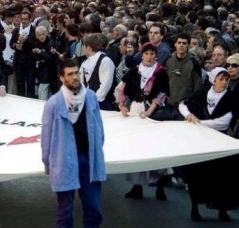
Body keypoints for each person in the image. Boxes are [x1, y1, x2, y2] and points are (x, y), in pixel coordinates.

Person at [41, 59, 106, 228]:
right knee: (65, 213)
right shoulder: (53, 103)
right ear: (62, 78)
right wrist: (48, 163)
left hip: (88, 160)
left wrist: (98, 151)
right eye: (70, 74)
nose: (75, 77)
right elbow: (46, 137)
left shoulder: (91, 97)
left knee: (93, 209)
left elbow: (99, 128)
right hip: (64, 161)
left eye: (77, 73)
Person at [178, 67, 239, 221]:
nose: (224, 83)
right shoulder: (203, 93)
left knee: (222, 177)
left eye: (226, 80)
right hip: (200, 141)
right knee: (196, 174)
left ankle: (222, 209)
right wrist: (189, 115)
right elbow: (183, 104)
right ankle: (195, 207)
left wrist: (200, 122)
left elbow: (224, 122)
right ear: (213, 80)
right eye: (221, 79)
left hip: (220, 141)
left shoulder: (230, 98)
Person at [115, 42, 172, 201]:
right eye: (146, 53)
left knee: (155, 148)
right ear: (142, 55)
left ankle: (160, 185)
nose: (149, 56)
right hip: (135, 110)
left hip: (151, 112)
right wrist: (122, 106)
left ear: (156, 55)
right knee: (137, 149)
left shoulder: (160, 72)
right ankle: (137, 186)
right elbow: (122, 89)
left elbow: (161, 95)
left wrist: (149, 111)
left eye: (152, 53)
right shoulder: (134, 71)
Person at [80, 33, 116, 110]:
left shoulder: (105, 61)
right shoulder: (84, 63)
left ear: (89, 48)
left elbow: (105, 85)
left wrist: (94, 101)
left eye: (84, 45)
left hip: (102, 104)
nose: (83, 48)